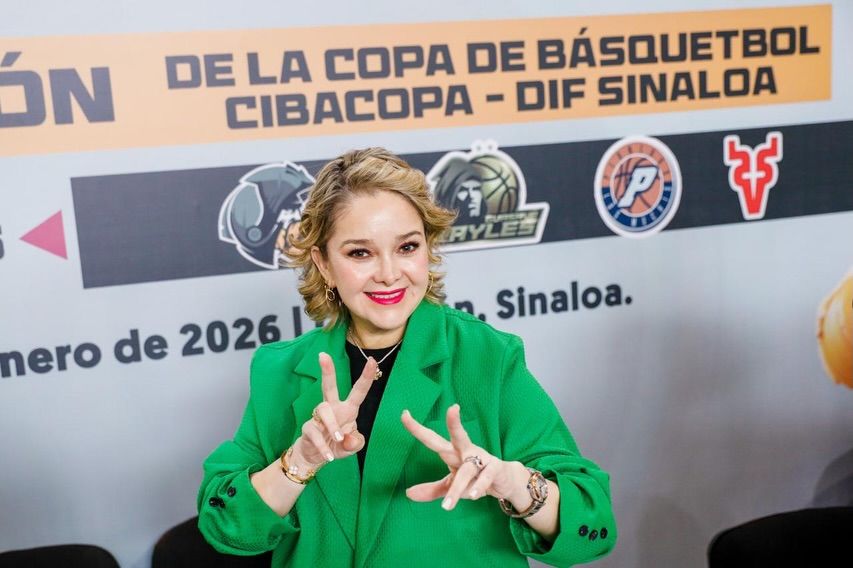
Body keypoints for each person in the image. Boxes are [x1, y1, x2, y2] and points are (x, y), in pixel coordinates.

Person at [197, 148, 616, 567]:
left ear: (427, 249)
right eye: (360, 253)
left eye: (407, 247)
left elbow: (592, 524)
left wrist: (513, 483)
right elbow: (226, 527)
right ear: (323, 264)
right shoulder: (278, 370)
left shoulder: (488, 357)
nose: (388, 274)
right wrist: (299, 462)